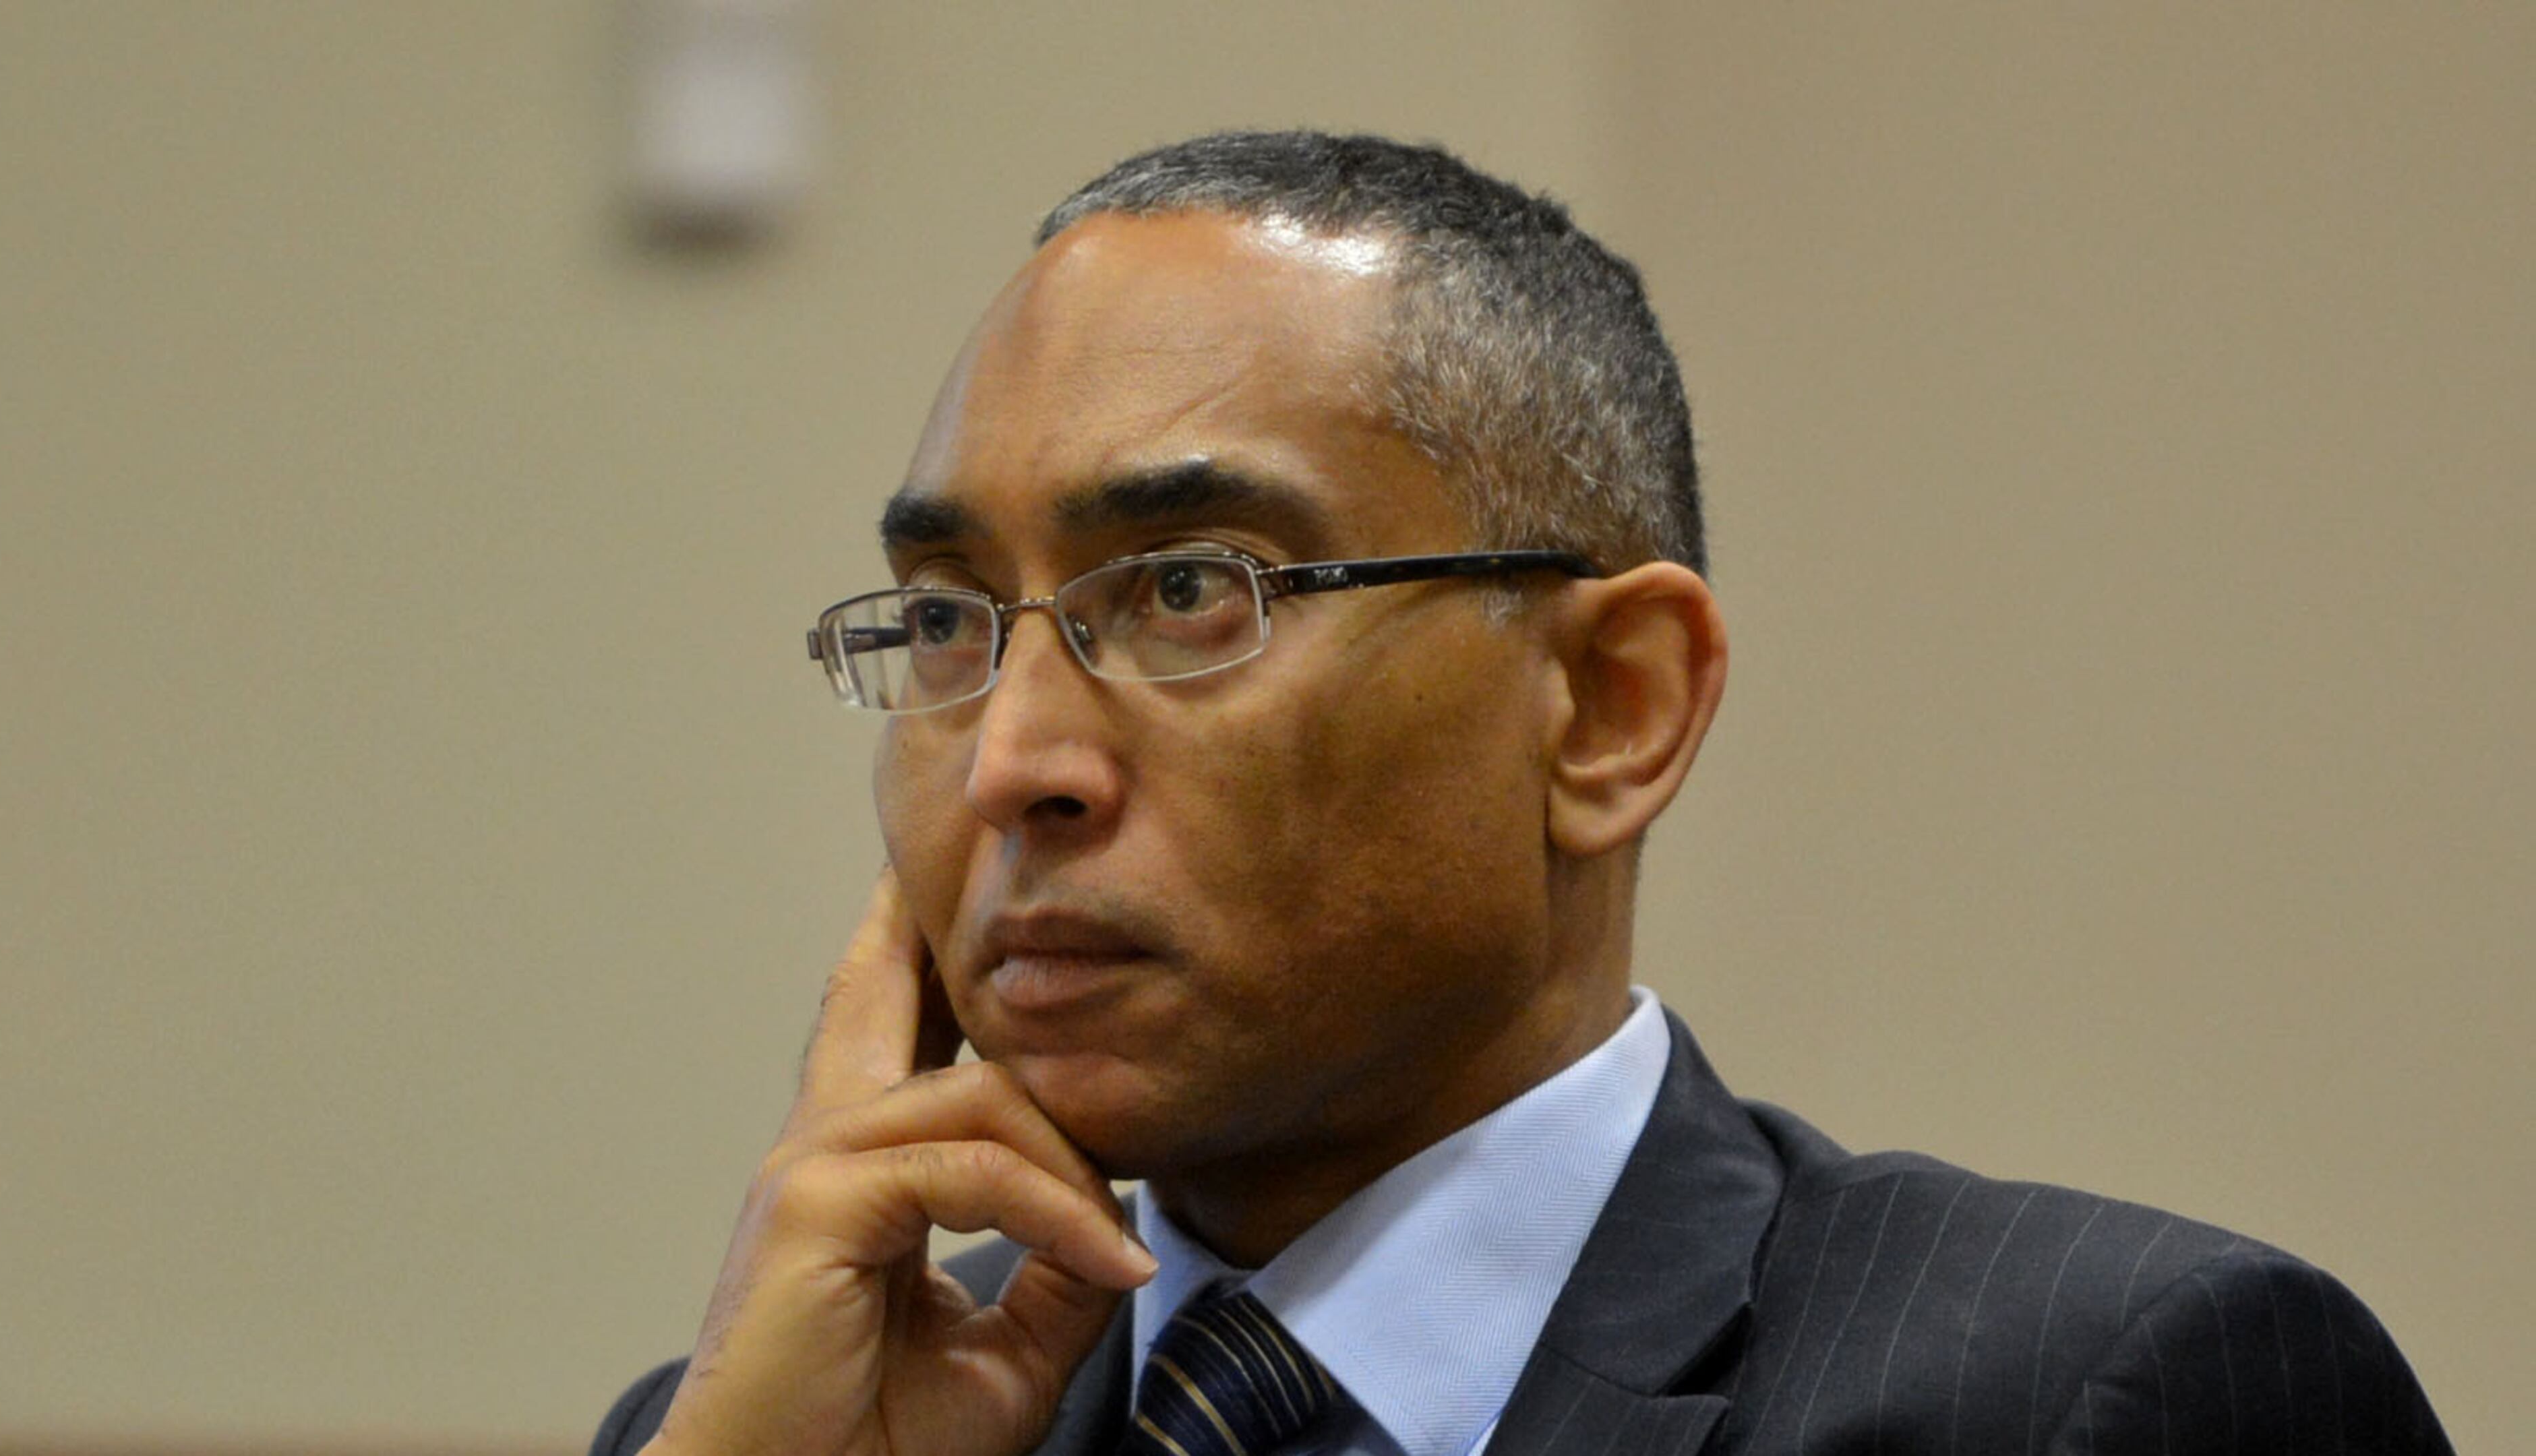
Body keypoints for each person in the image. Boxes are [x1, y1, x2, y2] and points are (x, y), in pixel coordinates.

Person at [593, 131, 2448, 1456]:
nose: (1011, 764)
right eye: (944, 621)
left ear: (1608, 709)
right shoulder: (800, 1417)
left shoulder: (2090, 1395)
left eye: (1185, 592)